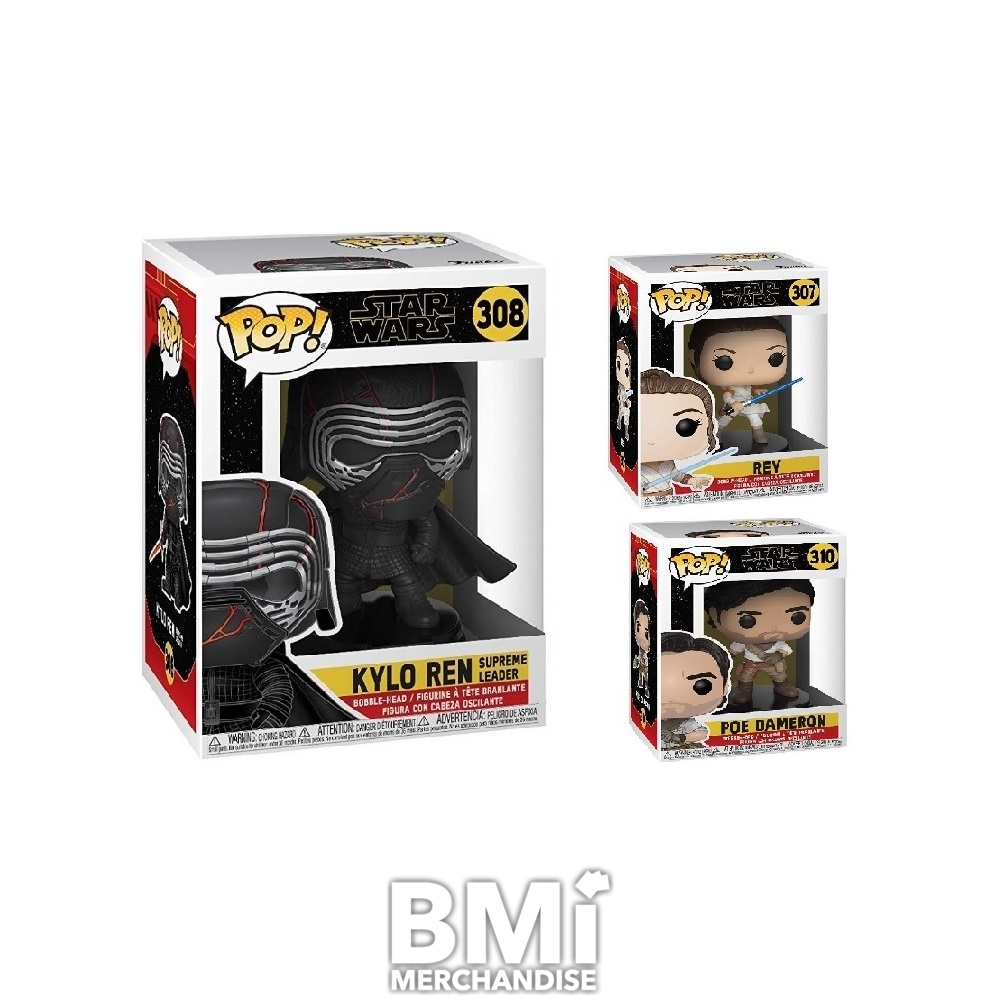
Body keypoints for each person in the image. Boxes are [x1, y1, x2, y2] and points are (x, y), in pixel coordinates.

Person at [704, 579, 814, 707]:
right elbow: (732, 652)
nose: (773, 629)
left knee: (779, 676)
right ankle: (744, 690)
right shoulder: (744, 643)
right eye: (747, 620)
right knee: (746, 678)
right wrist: (725, 659)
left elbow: (784, 650)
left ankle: (782, 686)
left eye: (797, 617)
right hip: (751, 664)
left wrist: (777, 656)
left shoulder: (779, 643)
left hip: (771, 663)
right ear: (714, 616)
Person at [688, 316, 789, 447]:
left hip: (748, 404)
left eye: (775, 358)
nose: (751, 369)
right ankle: (717, 434)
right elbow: (727, 396)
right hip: (734, 405)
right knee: (724, 420)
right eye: (723, 361)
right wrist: (733, 403)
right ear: (694, 358)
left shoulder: (747, 384)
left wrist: (757, 391)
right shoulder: (731, 387)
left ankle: (758, 434)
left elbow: (751, 390)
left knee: (755, 418)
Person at [639, 369, 720, 496]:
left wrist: (692, 480)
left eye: (687, 427)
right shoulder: (638, 468)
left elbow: (677, 476)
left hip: (669, 496)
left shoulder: (667, 463)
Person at [659, 631, 732, 749]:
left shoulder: (686, 723)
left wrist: (680, 737)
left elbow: (702, 733)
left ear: (725, 688)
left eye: (702, 686)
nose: (674, 698)